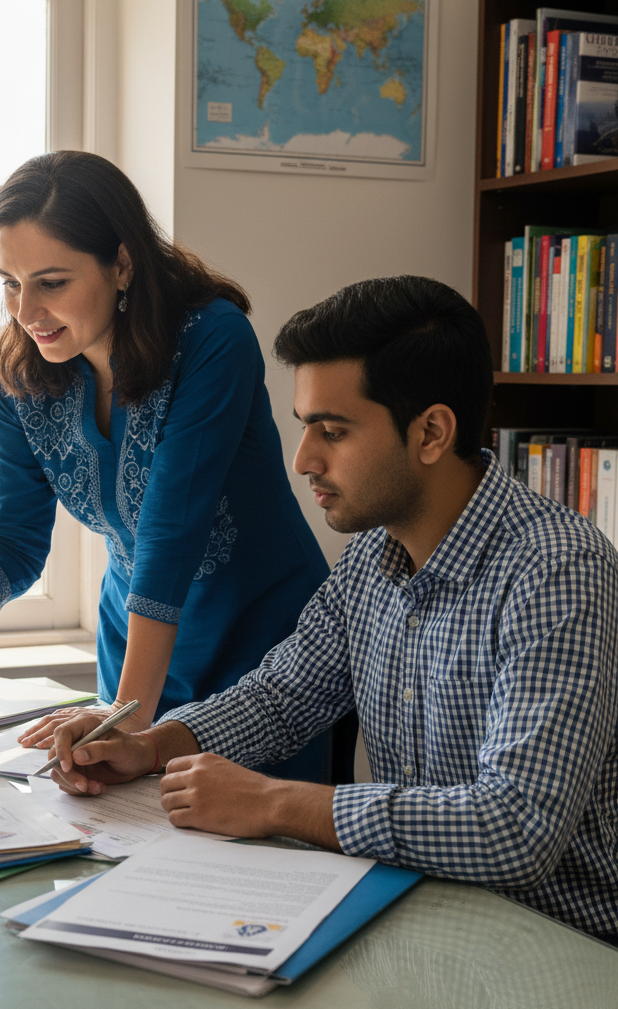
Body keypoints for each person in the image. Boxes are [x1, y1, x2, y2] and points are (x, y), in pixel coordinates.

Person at [41, 275, 618, 942]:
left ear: (432, 432)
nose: (303, 459)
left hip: (556, 945)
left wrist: (276, 802)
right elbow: (281, 698)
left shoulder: (558, 572)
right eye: (305, 426)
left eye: (333, 431)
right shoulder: (373, 554)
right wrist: (149, 747)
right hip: (422, 916)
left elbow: (516, 828)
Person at [0, 150, 330, 743]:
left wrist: (125, 713)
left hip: (265, 656)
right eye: (11, 284)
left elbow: (170, 535)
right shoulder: (22, 378)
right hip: (134, 657)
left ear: (122, 264)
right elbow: (13, 547)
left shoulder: (213, 340)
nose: (26, 312)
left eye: (51, 283)